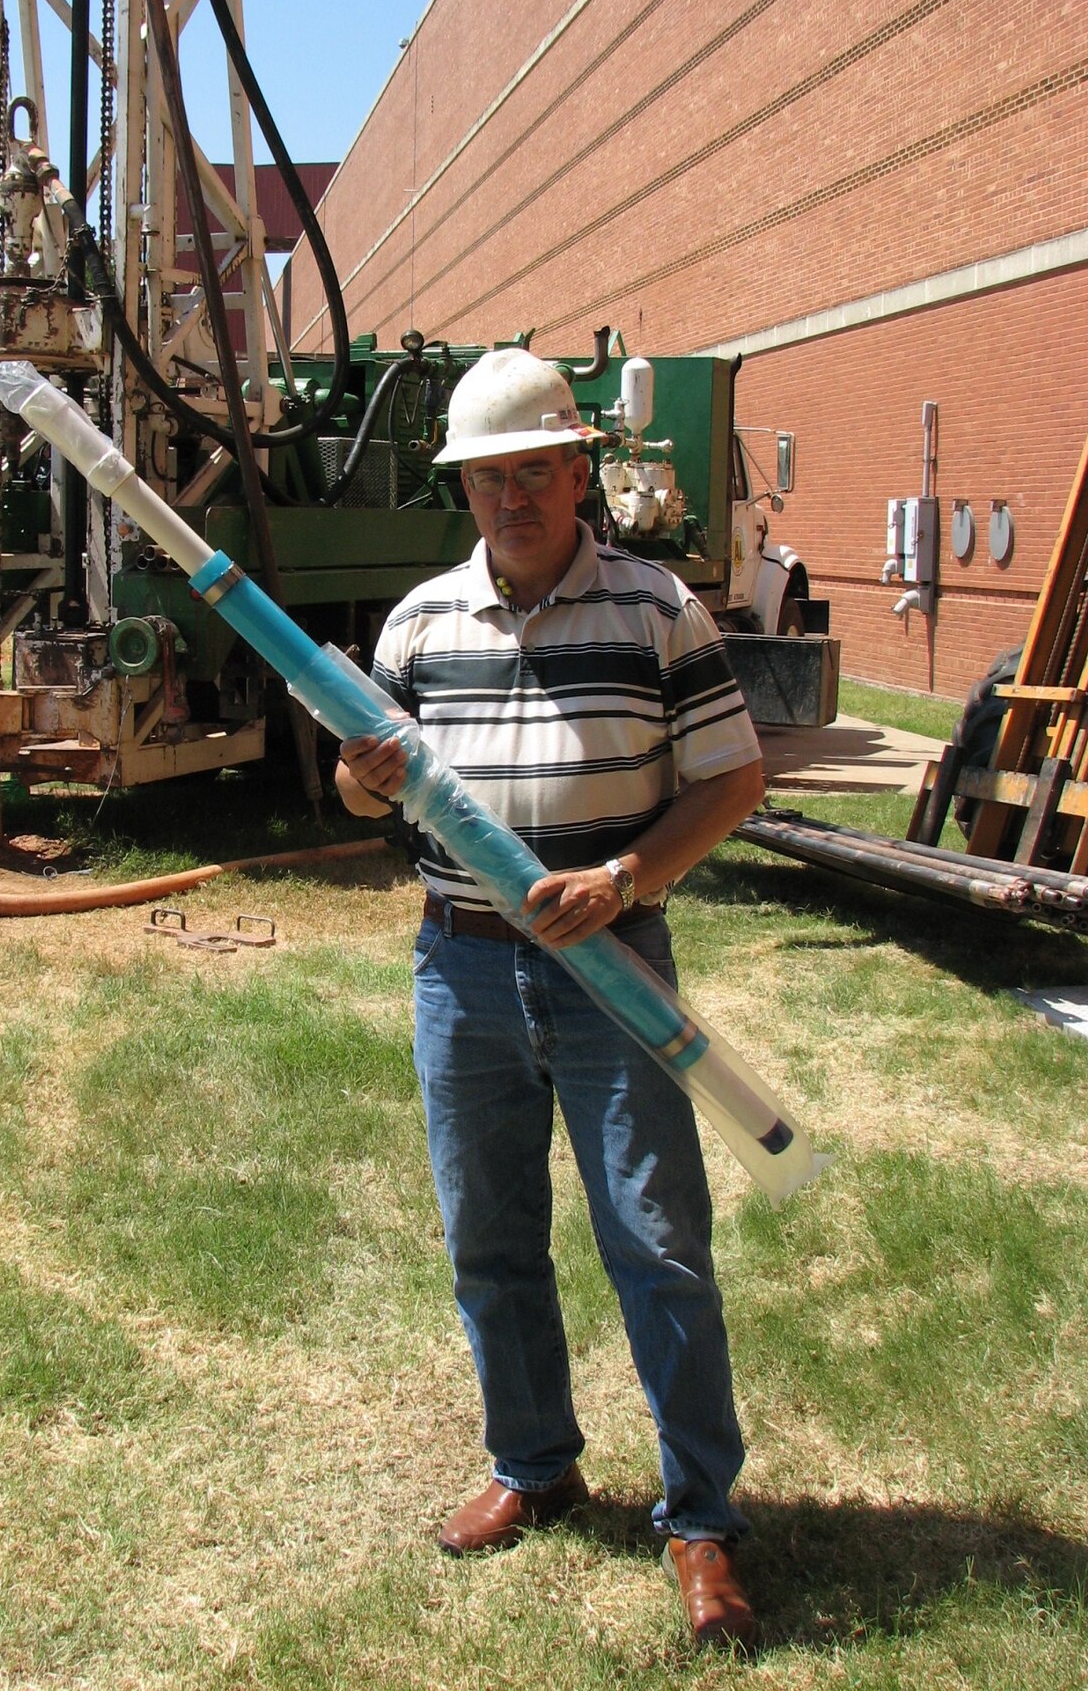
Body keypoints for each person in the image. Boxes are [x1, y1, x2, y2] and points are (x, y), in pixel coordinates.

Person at [335, 349, 766, 1647]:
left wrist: (630, 875)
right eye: (488, 476)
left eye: (536, 469)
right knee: (489, 1238)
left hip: (611, 969)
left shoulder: (655, 610)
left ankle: (703, 1521)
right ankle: (534, 1464)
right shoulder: (415, 624)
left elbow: (732, 777)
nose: (513, 496)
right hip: (459, 967)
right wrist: (362, 777)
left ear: (579, 471)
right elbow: (369, 792)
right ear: (463, 488)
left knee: (658, 1244)